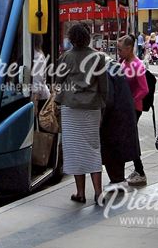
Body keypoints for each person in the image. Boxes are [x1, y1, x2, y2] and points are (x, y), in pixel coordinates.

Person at [55, 23, 109, 205]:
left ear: (71, 38)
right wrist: (102, 106)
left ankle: (80, 192)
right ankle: (99, 192)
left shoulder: (66, 57)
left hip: (70, 108)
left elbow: (58, 80)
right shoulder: (98, 57)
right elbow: (104, 86)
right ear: (88, 37)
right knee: (93, 148)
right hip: (92, 108)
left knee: (74, 150)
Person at [100, 54, 141, 193]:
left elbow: (108, 99)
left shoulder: (105, 72)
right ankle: (118, 179)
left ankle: (117, 180)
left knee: (111, 150)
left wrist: (101, 117)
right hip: (123, 114)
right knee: (118, 150)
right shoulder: (115, 67)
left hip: (113, 118)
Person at [117, 35, 148, 186]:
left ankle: (140, 172)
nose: (118, 52)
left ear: (129, 49)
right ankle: (135, 171)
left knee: (129, 139)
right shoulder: (123, 62)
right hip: (124, 108)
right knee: (127, 138)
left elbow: (144, 89)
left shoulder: (137, 65)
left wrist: (131, 101)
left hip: (133, 109)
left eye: (120, 49)